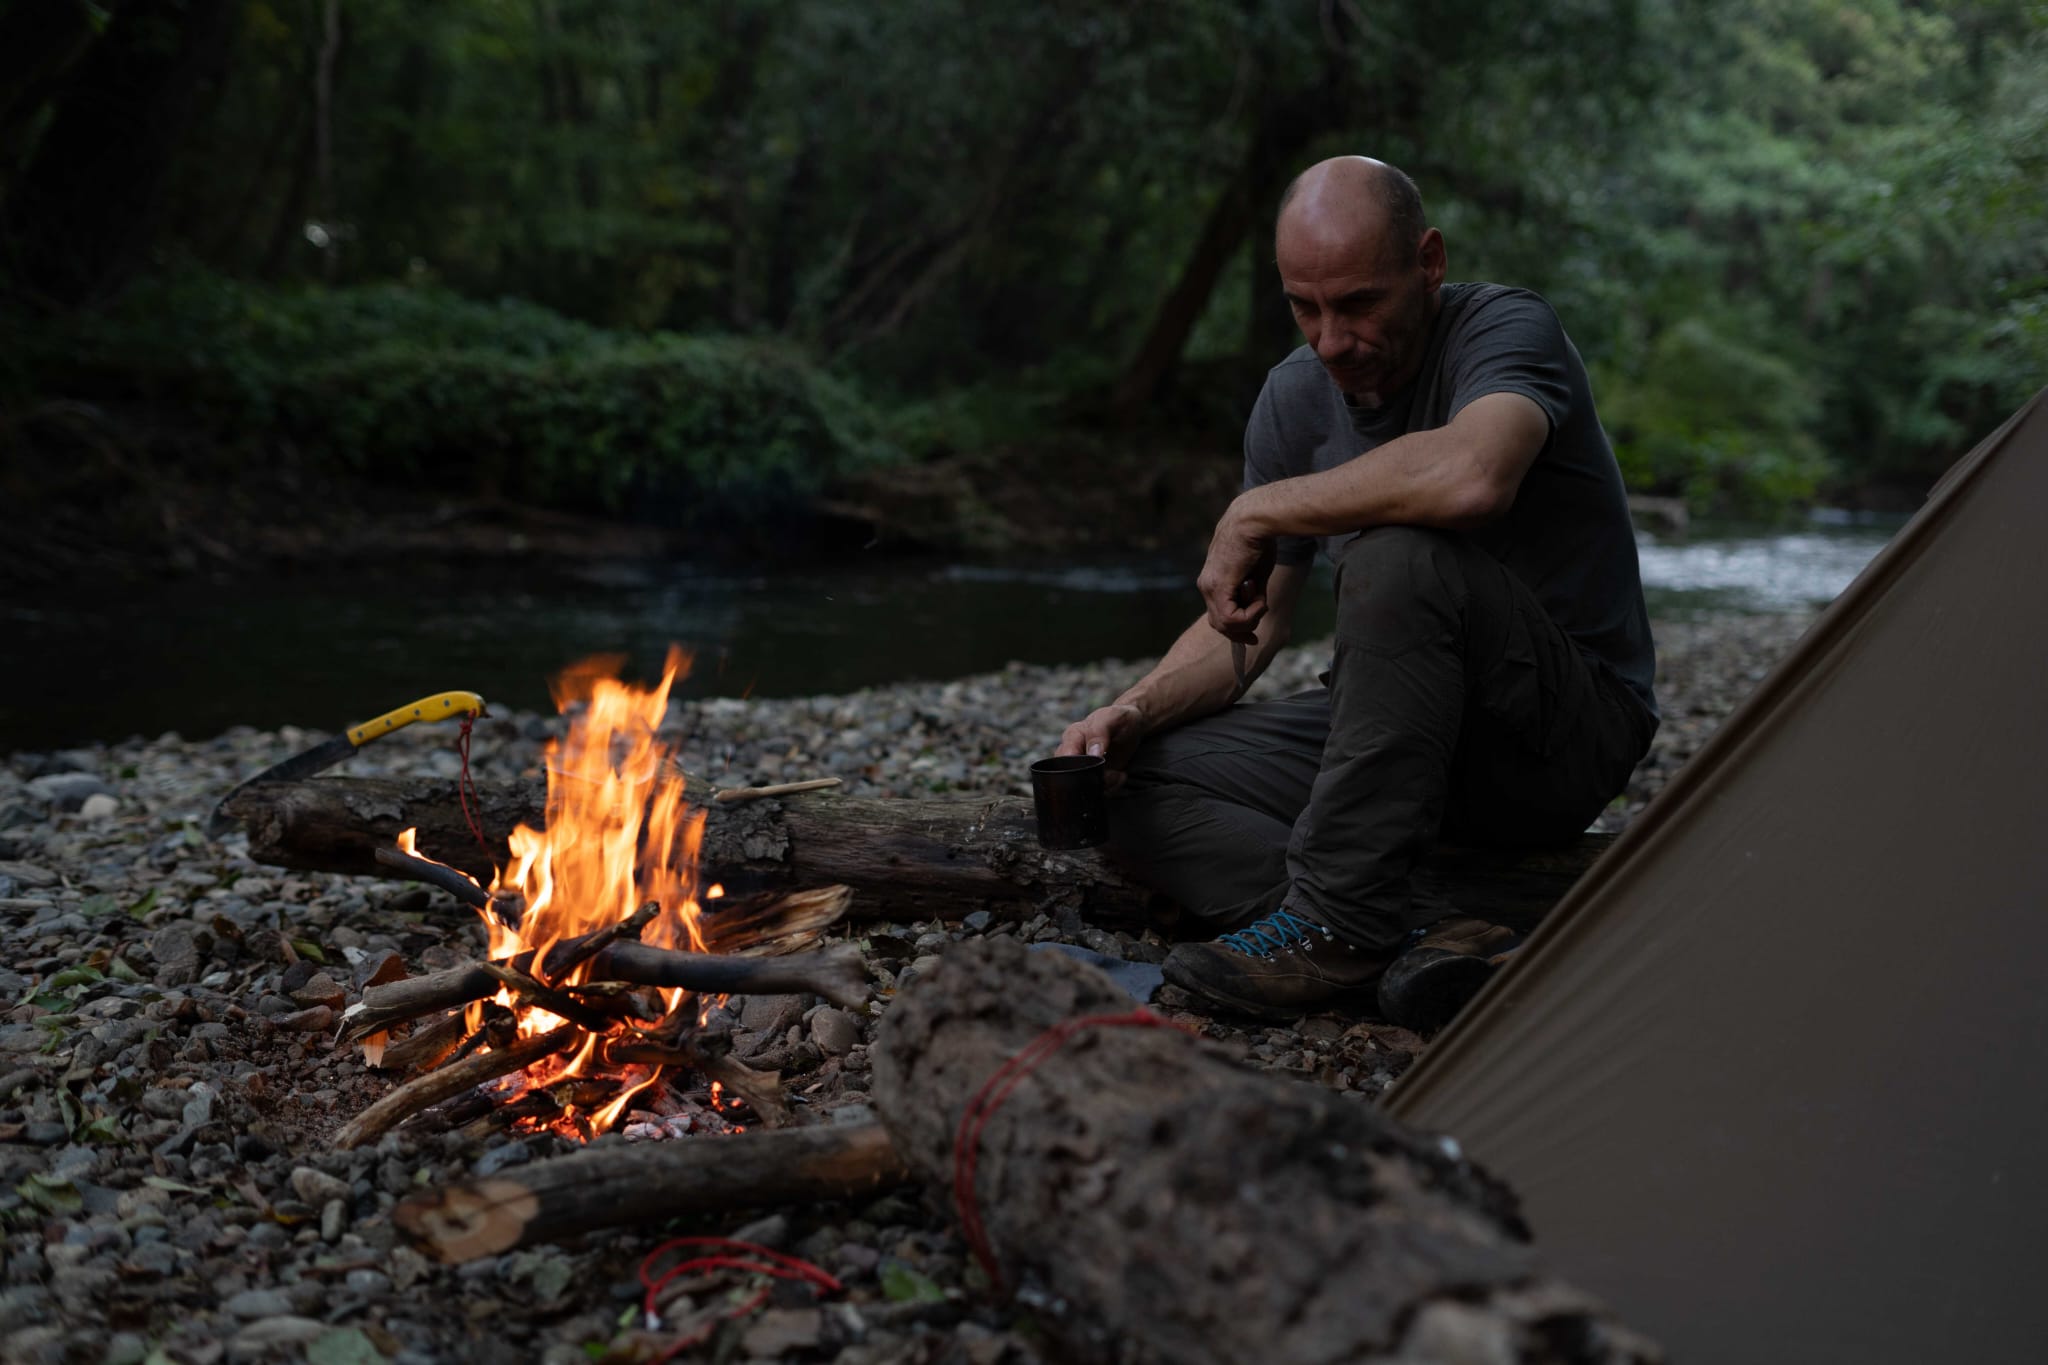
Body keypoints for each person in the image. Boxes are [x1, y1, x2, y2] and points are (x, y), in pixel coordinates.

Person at [1057, 155, 1658, 1023]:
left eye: (1360, 303)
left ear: (1430, 264)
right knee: (1134, 785)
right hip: (1394, 740)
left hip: (1557, 738)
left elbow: (1474, 474)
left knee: (1397, 554)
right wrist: (1133, 711)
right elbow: (1246, 632)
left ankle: (1336, 922)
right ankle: (1430, 932)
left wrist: (1259, 507)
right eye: (1306, 307)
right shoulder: (1294, 398)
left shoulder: (1508, 330)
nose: (1331, 340)